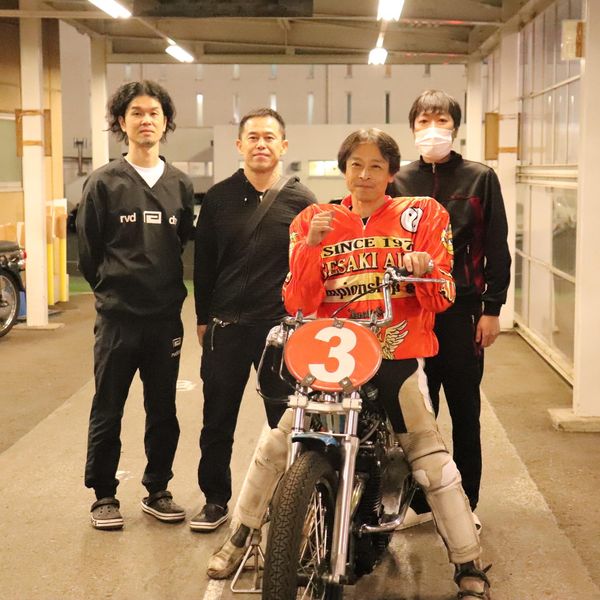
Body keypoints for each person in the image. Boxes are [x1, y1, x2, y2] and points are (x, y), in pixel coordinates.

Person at [207, 129, 491, 600]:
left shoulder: (423, 214)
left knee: (430, 459)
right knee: (276, 442)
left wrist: (423, 269)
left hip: (397, 353)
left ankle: (468, 561)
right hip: (329, 355)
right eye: (356, 164)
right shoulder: (313, 219)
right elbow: (297, 301)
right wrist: (311, 248)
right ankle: (240, 538)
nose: (365, 174)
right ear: (344, 170)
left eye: (376, 165)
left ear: (391, 172)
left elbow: (442, 297)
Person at [77, 80, 195, 530]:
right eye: (137, 113)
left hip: (165, 319)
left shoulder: (180, 184)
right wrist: (114, 292)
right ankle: (103, 495)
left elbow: (179, 243)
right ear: (121, 123)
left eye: (154, 113)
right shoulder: (103, 182)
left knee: (163, 409)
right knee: (109, 406)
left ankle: (158, 489)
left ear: (165, 122)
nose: (146, 120)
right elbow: (89, 254)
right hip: (118, 320)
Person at [191, 108, 316, 531]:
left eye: (269, 137)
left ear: (283, 145)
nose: (261, 144)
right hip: (225, 327)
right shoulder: (218, 198)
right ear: (239, 145)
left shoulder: (303, 201)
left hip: (280, 330)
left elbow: (310, 267)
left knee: (284, 421)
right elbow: (203, 264)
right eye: (253, 137)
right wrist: (203, 317)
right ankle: (214, 499)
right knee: (216, 419)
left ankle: (286, 503)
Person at [391, 90, 511, 525]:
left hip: (462, 309)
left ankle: (465, 503)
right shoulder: (398, 181)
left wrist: (492, 308)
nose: (432, 129)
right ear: (412, 129)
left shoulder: (480, 178)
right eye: (423, 122)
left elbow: (496, 245)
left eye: (440, 121)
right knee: (417, 411)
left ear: (455, 128)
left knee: (464, 409)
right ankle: (420, 503)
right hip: (411, 310)